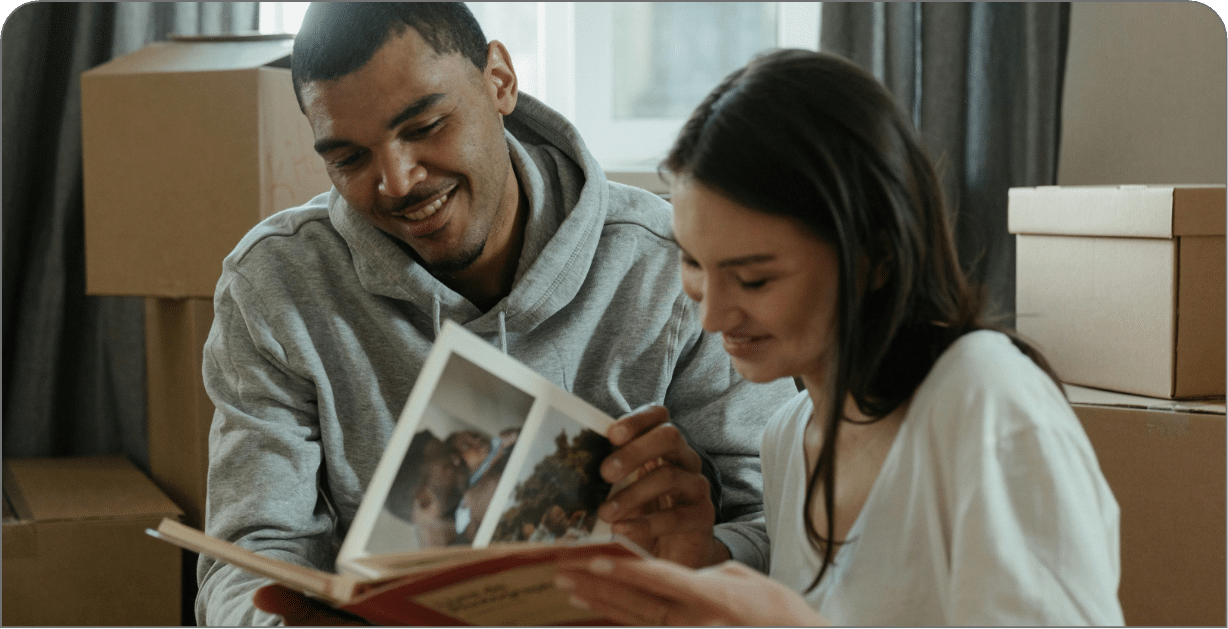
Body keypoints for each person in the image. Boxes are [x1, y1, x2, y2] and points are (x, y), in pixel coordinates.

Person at [197, 3, 796, 625]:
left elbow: (783, 531)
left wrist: (703, 555)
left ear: (500, 81)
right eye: (349, 159)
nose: (398, 182)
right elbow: (250, 555)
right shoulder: (273, 284)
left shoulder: (677, 265)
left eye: (426, 125)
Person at [554, 49, 1125, 625]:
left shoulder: (985, 399)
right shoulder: (789, 437)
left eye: (755, 278)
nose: (713, 317)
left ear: (875, 256)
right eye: (696, 264)